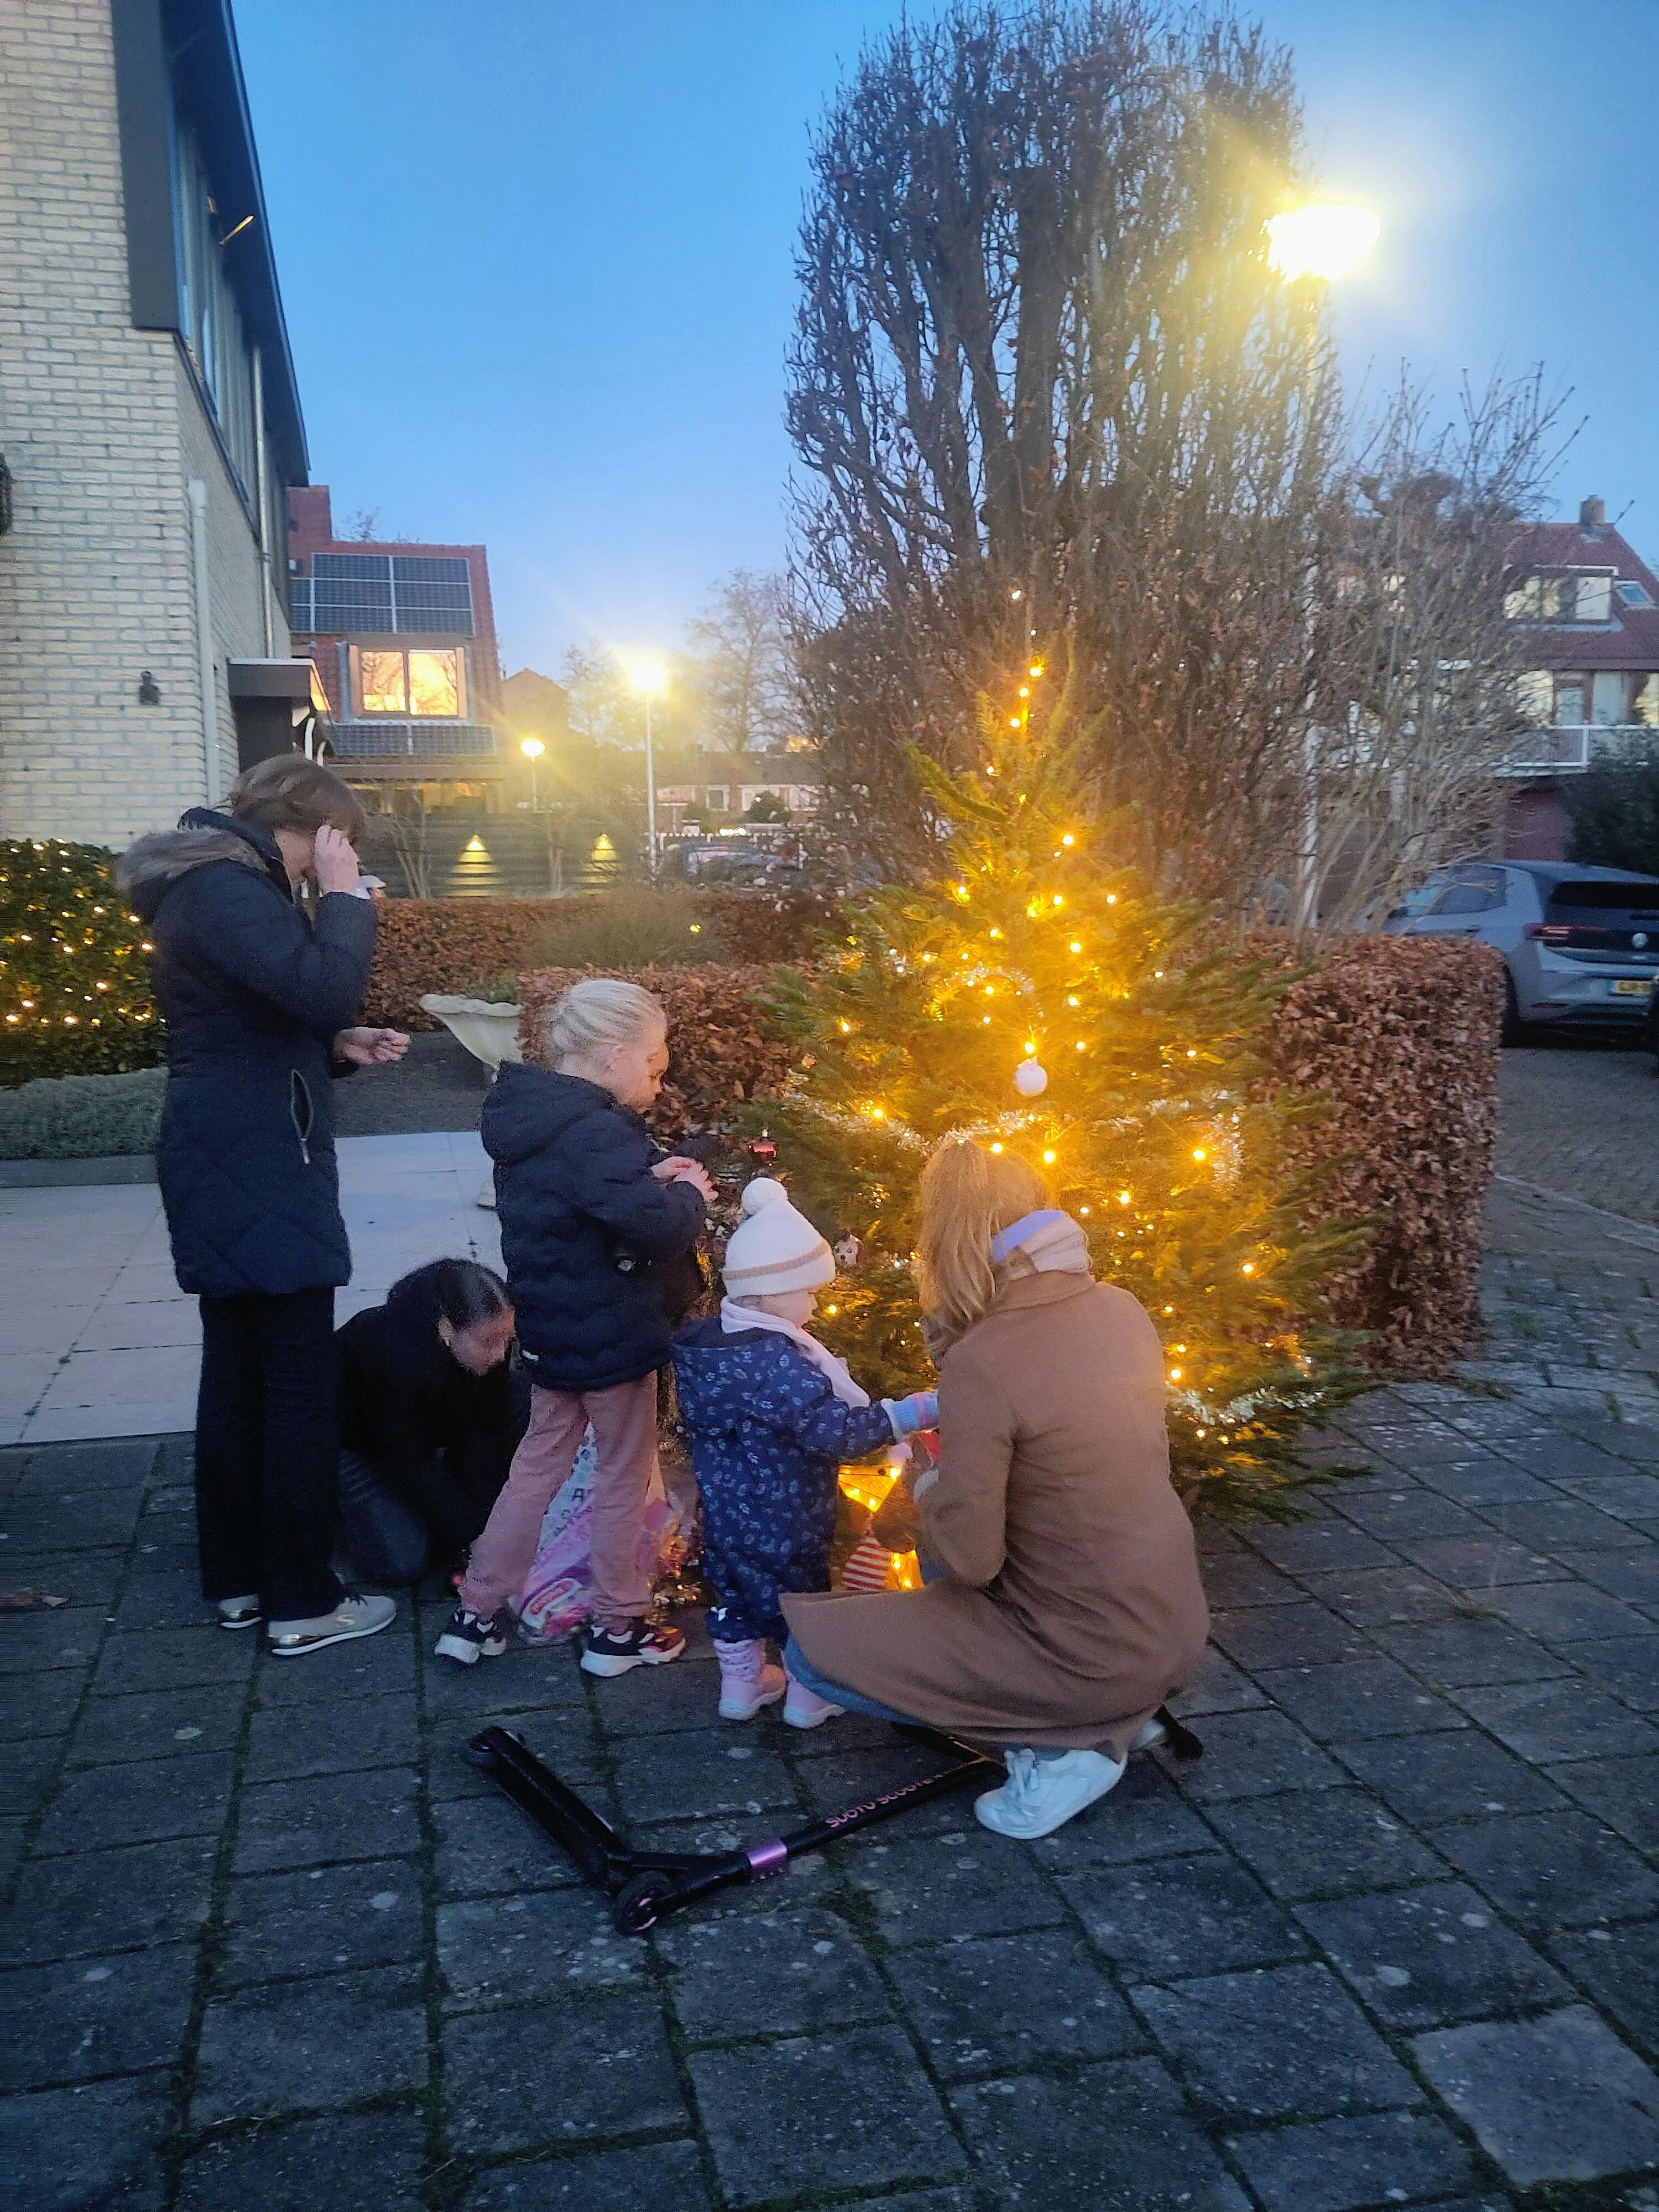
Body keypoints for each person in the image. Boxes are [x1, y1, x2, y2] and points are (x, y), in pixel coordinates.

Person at [781, 1138, 1210, 1840]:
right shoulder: (1122, 1307)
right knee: (943, 1567)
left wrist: (926, 1487)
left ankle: (1061, 1748)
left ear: (953, 1244)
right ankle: (1118, 1715)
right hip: (1168, 1629)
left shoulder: (986, 1359)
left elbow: (976, 1560)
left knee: (809, 1654)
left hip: (1087, 1652)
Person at [118, 758, 410, 1656]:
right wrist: (344, 898)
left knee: (239, 1379)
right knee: (294, 1388)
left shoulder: (208, 889)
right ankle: (301, 1601)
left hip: (229, 1150)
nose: (341, 861)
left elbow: (262, 1018)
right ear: (317, 828)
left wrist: (336, 1046)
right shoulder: (230, 888)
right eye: (341, 844)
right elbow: (323, 983)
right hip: (258, 1162)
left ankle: (241, 1580)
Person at [435, 979, 713, 1673]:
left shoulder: (532, 1117)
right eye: (652, 1068)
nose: (654, 1085)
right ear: (615, 1056)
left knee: (533, 1471)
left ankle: (476, 1614)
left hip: (554, 1331)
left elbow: (583, 1197)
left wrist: (650, 1170)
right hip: (614, 1334)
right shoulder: (596, 1128)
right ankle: (617, 1626)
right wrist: (687, 1194)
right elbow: (649, 1229)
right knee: (624, 1476)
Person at [671, 1177, 937, 1727]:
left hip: (725, 1518)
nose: (815, 1304)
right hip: (786, 1519)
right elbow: (836, 1432)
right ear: (770, 1293)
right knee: (801, 1608)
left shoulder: (709, 1355)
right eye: (808, 1292)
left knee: (735, 1601)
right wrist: (909, 1413)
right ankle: (807, 1695)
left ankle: (741, 1689)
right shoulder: (779, 1366)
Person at [336, 1260, 526, 1587]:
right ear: (446, 1329)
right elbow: (407, 1462)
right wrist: (470, 1536)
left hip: (428, 1434)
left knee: (522, 1394)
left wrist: (486, 1526)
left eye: (507, 1339)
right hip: (358, 1446)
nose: (500, 1354)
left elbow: (485, 1429)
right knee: (402, 1564)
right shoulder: (389, 1356)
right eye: (489, 1342)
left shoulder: (488, 1338)